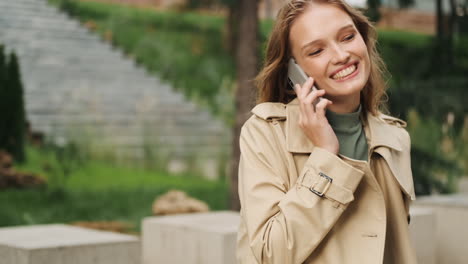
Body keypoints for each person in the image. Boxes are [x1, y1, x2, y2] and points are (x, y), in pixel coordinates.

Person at [236, 0, 418, 263]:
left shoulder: (394, 139)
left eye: (347, 37)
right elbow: (269, 253)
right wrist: (325, 157)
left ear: (363, 40)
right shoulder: (265, 133)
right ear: (293, 70)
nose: (341, 55)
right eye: (316, 51)